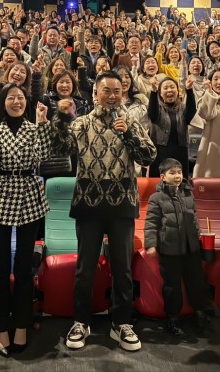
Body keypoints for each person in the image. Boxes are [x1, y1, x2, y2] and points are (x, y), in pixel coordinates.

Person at [50, 70, 156, 352]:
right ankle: (80, 321)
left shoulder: (130, 121)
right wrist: (60, 117)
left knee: (122, 269)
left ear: (123, 93)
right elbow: (59, 147)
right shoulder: (82, 122)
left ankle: (121, 323)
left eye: (117, 91)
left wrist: (129, 133)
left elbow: (148, 156)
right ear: (96, 93)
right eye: (106, 91)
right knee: (85, 269)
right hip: (88, 204)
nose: (112, 96)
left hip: (122, 205)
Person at [0, 85, 52, 357]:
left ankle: (21, 324)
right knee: (0, 265)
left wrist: (43, 124)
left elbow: (42, 156)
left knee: (23, 265)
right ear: (3, 103)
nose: (16, 101)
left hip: (29, 190)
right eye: (11, 98)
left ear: (26, 102)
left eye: (20, 97)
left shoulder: (35, 128)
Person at [144, 158, 211, 337]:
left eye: (179, 172)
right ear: (162, 177)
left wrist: (198, 237)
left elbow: (194, 218)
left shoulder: (188, 193)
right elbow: (151, 223)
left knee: (196, 282)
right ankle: (172, 319)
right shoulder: (156, 198)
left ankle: (200, 313)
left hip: (191, 248)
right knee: (171, 287)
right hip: (169, 249)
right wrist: (151, 244)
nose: (177, 176)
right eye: (172, 173)